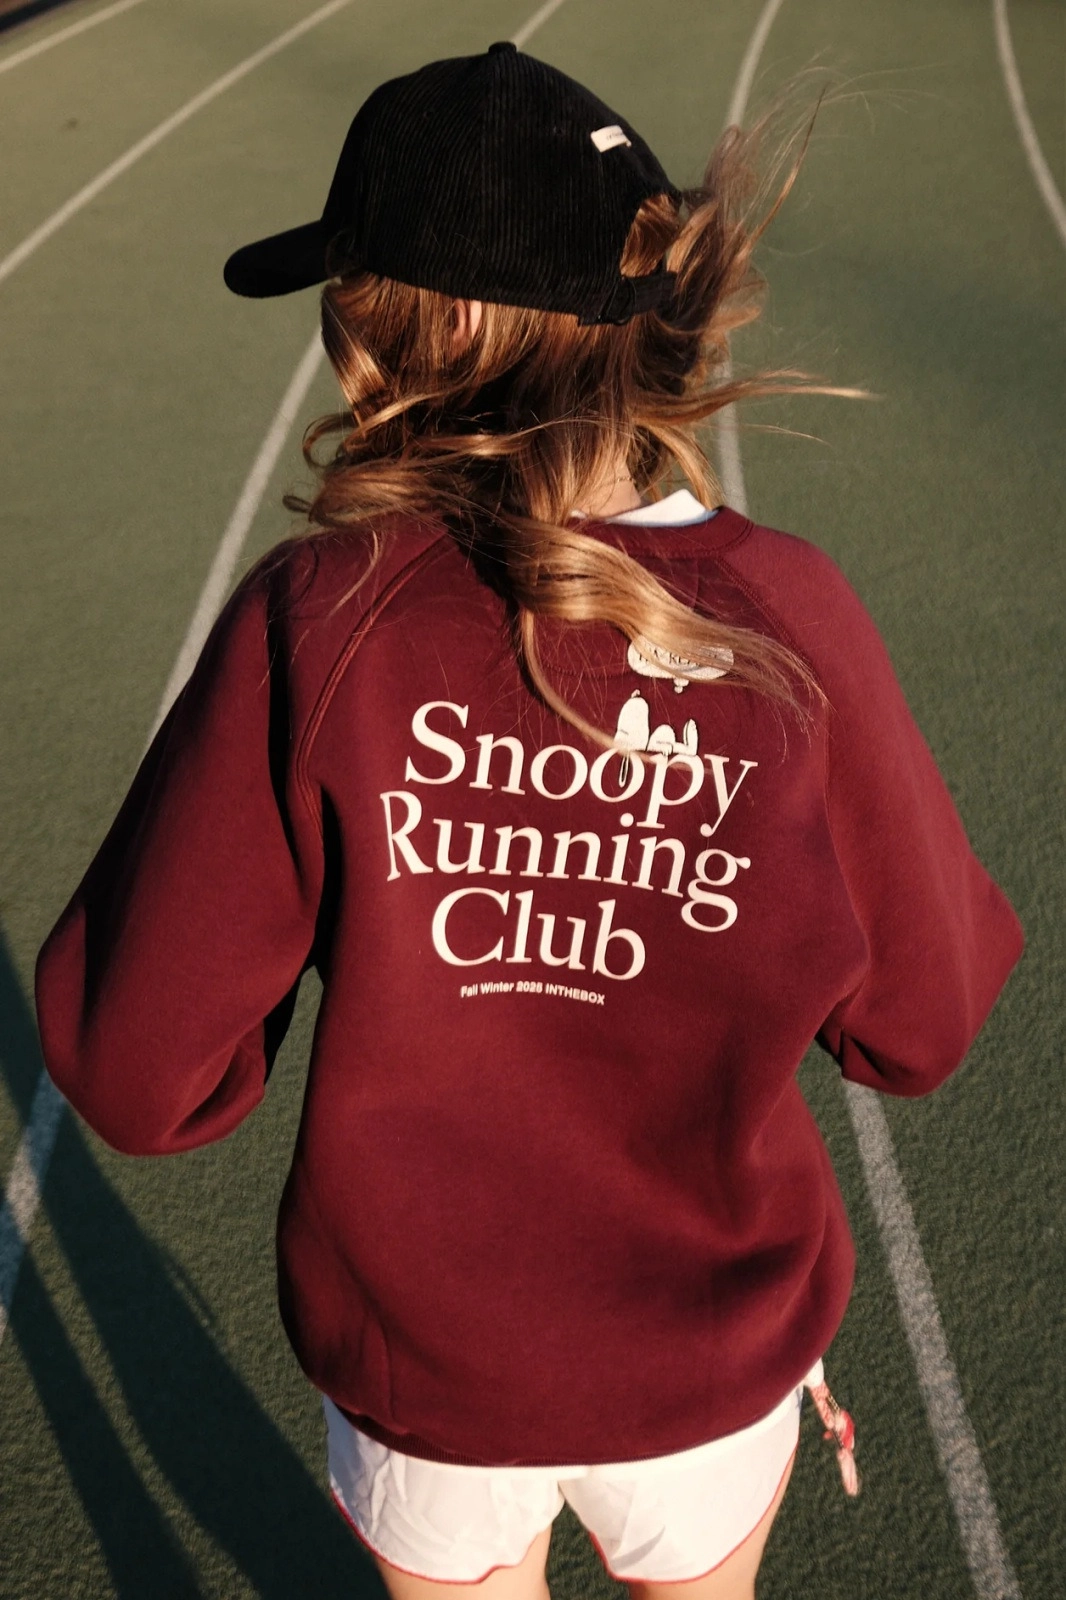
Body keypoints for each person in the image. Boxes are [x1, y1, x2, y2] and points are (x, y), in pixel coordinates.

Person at [35, 42, 1023, 1600]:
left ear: (414, 330)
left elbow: (140, 1073)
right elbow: (922, 1021)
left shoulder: (319, 613)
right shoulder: (789, 612)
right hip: (707, 1354)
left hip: (430, 1378)